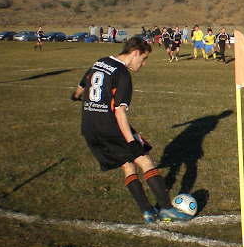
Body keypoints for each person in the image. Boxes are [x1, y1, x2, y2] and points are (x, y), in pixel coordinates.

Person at [71, 37, 187, 223]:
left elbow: (83, 83)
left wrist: (76, 96)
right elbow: (119, 113)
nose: (143, 63)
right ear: (135, 53)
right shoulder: (123, 74)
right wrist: (132, 142)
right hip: (109, 126)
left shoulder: (100, 62)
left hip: (89, 127)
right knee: (145, 160)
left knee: (127, 164)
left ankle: (147, 212)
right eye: (144, 58)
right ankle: (166, 209)